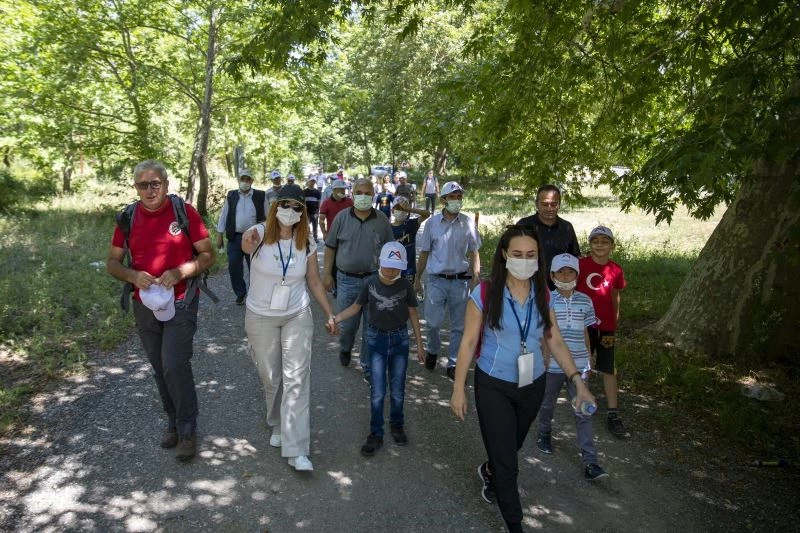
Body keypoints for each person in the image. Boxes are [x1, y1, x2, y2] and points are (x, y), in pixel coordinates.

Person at [449, 225, 595, 533]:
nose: (524, 260)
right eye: (517, 254)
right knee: (509, 464)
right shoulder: (485, 293)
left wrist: (577, 381)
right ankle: (515, 523)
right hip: (493, 385)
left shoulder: (544, 293)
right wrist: (458, 389)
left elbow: (553, 339)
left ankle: (489, 470)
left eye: (531, 255)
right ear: (504, 255)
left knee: (509, 447)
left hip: (532, 384)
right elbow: (467, 342)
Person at [106, 160, 215, 462]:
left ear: (167, 184)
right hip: (145, 304)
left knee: (174, 363)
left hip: (182, 300)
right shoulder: (127, 217)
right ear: (136, 188)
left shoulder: (184, 212)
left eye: (156, 183)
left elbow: (208, 255)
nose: (150, 189)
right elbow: (112, 263)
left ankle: (188, 429)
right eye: (144, 184)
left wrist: (181, 271)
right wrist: (132, 276)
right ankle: (172, 421)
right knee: (158, 366)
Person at [240, 183, 336, 472]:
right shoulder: (258, 235)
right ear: (274, 207)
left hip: (297, 314)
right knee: (272, 377)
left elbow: (314, 281)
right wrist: (248, 239)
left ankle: (297, 450)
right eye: (286, 205)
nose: (291, 212)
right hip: (260, 316)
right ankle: (277, 423)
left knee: (296, 378)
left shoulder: (305, 241)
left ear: (303, 212)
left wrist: (329, 313)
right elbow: (245, 245)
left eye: (297, 208)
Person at [328, 242, 425, 456]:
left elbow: (413, 314)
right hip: (375, 339)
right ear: (381, 262)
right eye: (389, 265)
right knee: (378, 391)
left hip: (400, 340)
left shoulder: (405, 286)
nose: (392, 271)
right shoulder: (370, 283)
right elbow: (355, 307)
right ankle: (376, 432)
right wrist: (337, 318)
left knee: (398, 390)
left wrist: (419, 343)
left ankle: (397, 424)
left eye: (397, 267)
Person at [536, 254, 608, 480]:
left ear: (577, 275)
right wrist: (544, 358)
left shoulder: (585, 301)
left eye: (570, 272)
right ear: (552, 275)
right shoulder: (548, 300)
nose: (565, 276)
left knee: (583, 411)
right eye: (561, 272)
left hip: (579, 365)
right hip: (553, 367)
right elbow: (545, 334)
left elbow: (587, 333)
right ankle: (544, 432)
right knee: (547, 404)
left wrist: (589, 358)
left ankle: (590, 461)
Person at [322, 178, 394, 383]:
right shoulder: (342, 218)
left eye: (367, 193)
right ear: (353, 194)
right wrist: (327, 273)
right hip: (347, 281)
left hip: (374, 280)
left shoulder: (381, 219)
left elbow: (390, 250)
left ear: (373, 195)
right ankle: (345, 348)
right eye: (359, 192)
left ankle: (368, 367)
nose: (363, 196)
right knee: (348, 326)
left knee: (372, 328)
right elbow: (330, 247)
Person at [415, 181, 481, 379]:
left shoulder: (467, 222)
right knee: (433, 323)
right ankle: (433, 350)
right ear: (444, 200)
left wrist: (476, 276)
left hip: (460, 282)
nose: (456, 200)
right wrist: (417, 278)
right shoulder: (432, 224)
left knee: (459, 326)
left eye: (459, 196)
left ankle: (453, 363)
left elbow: (474, 252)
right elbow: (424, 253)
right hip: (436, 280)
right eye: (452, 197)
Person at [576, 225, 627, 438]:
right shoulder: (580, 265)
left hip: (606, 326)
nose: (600, 245)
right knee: (583, 363)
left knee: (607, 367)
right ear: (590, 244)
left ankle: (613, 413)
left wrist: (615, 318)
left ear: (612, 246)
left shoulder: (615, 270)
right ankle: (582, 401)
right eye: (595, 241)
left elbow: (615, 295)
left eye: (604, 242)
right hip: (583, 325)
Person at [215, 168, 267, 305]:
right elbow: (224, 215)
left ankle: (256, 293)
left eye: (247, 179)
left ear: (252, 181)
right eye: (242, 179)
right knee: (233, 266)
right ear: (239, 180)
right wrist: (219, 234)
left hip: (254, 238)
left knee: (256, 267)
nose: (245, 182)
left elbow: (267, 217)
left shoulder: (260, 195)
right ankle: (240, 293)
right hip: (235, 237)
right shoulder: (231, 196)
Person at [516, 184, 580, 286]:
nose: (549, 208)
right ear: (537, 204)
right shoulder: (524, 225)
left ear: (559, 204)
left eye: (554, 204)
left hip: (559, 287)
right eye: (545, 204)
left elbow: (574, 258)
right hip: (529, 285)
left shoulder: (566, 227)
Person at [390, 196, 429, 284]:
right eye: (398, 208)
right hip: (391, 270)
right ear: (393, 210)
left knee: (407, 295)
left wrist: (410, 209)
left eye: (404, 209)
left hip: (408, 271)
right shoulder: (388, 228)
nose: (401, 211)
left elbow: (427, 214)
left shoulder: (411, 224)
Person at [304, 177, 322, 242]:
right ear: (308, 182)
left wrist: (318, 211)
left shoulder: (317, 192)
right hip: (306, 211)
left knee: (315, 224)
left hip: (314, 211)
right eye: (311, 181)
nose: (312, 183)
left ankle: (315, 237)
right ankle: (306, 237)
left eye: (314, 181)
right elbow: (303, 202)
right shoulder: (304, 191)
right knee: (306, 224)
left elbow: (319, 202)